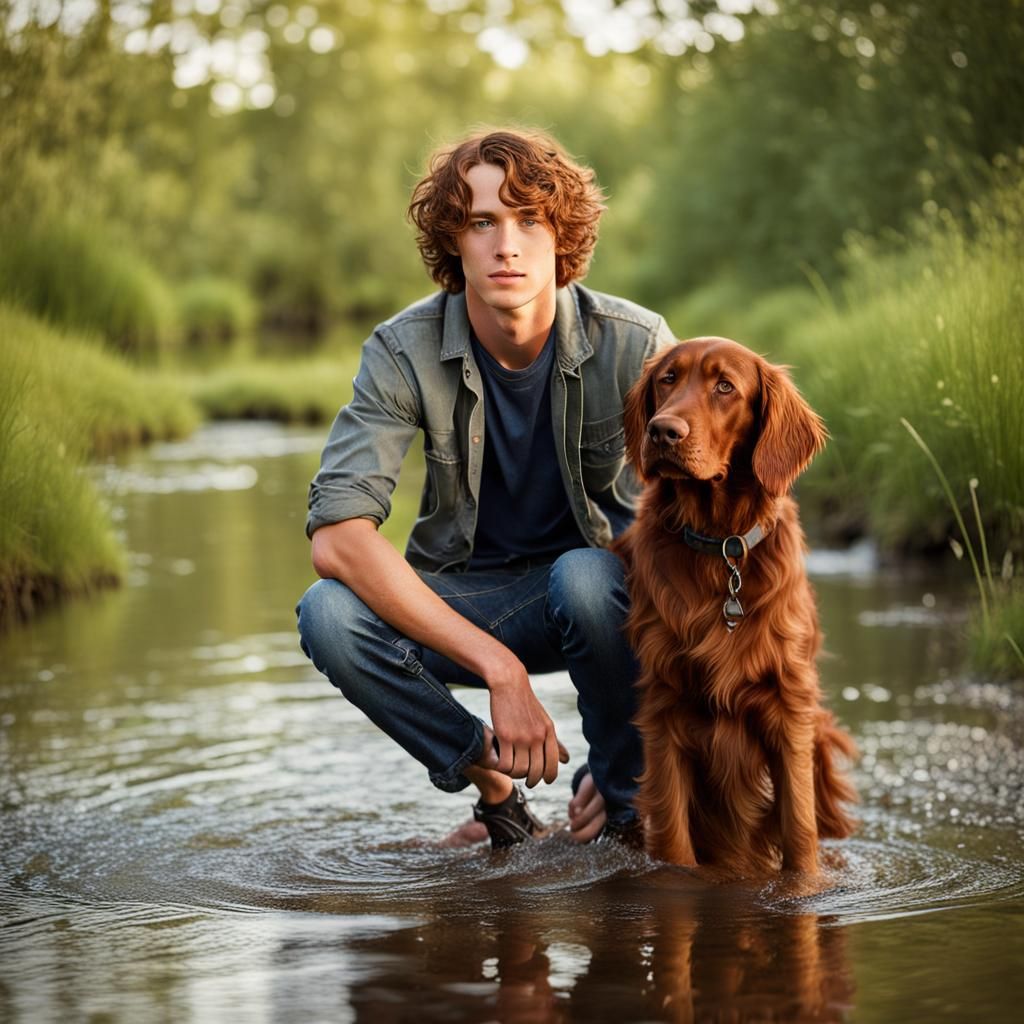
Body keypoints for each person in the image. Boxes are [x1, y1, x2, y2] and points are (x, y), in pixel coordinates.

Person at [296, 127, 673, 849]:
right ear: (454, 241)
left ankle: (625, 799)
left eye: (530, 220)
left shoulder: (637, 344)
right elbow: (339, 540)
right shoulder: (400, 351)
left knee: (587, 577)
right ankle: (499, 798)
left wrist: (629, 757)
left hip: (601, 600)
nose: (508, 245)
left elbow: (694, 530)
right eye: (482, 221)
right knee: (330, 615)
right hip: (465, 603)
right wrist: (500, 670)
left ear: (562, 237)